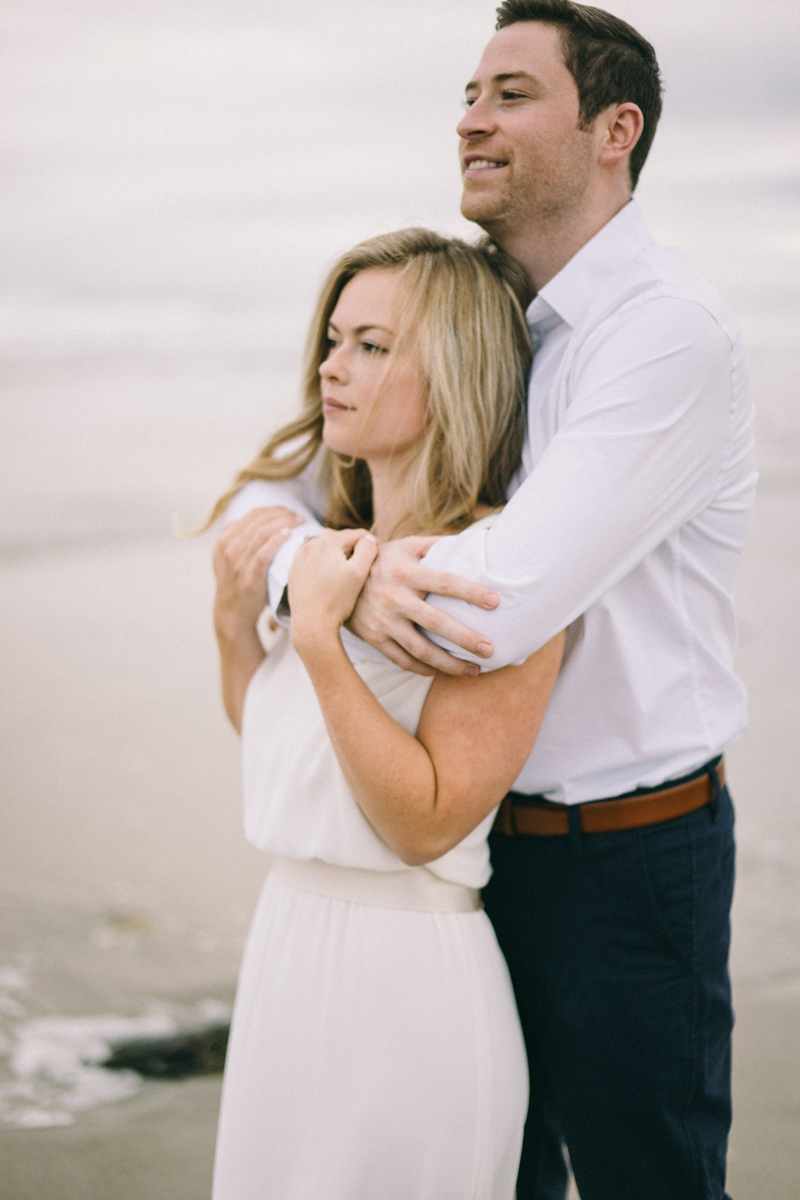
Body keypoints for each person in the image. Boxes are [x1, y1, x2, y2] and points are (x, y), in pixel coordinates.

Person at [239, 3, 757, 1198]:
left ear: (614, 128)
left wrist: (324, 586)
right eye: (468, 95)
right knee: (482, 1170)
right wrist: (285, 563)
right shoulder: (479, 320)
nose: (470, 119)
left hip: (622, 853)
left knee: (646, 1179)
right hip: (468, 862)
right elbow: (264, 493)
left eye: (512, 94)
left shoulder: (659, 335)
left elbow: (497, 602)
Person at [209, 228, 565, 1200]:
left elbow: (423, 822)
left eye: (372, 346)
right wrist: (235, 625)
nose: (331, 367)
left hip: (406, 991)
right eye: (332, 340)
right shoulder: (336, 553)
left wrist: (320, 640)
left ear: (451, 373)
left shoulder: (499, 577)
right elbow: (288, 754)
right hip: (286, 956)